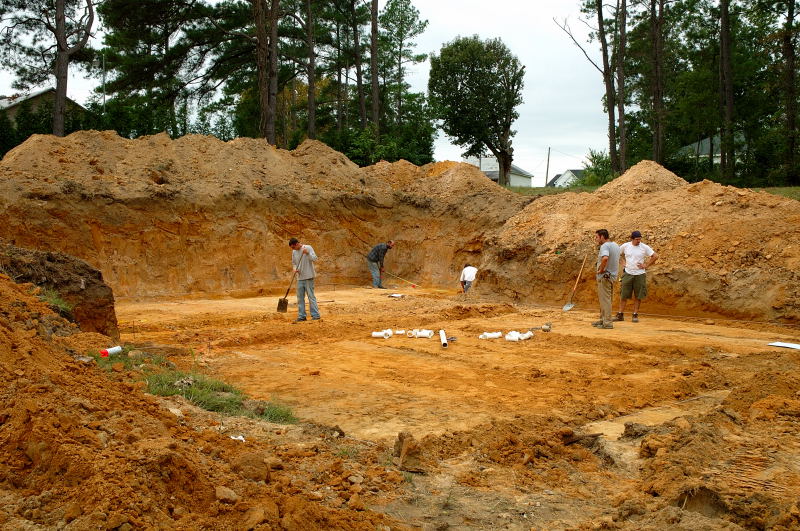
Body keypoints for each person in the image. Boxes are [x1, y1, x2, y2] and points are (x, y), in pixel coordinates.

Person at [615, 230, 658, 323]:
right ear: (632, 239)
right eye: (637, 239)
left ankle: (635, 315)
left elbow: (655, 256)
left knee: (638, 295)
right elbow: (616, 253)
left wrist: (646, 265)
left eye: (639, 239)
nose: (639, 241)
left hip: (640, 274)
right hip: (627, 273)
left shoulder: (644, 247)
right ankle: (620, 314)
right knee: (623, 295)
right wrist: (622, 261)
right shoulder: (626, 246)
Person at [592, 229, 620, 329]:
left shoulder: (605, 246)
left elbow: (605, 258)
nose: (596, 239)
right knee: (606, 299)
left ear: (602, 237)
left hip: (605, 276)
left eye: (597, 237)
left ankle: (607, 323)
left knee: (606, 300)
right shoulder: (616, 245)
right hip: (611, 276)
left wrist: (601, 269)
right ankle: (603, 320)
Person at [289, 237, 320, 322]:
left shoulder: (308, 247)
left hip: (309, 276)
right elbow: (294, 263)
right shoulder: (294, 251)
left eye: (293, 247)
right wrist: (295, 269)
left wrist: (308, 253)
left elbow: (315, 258)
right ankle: (302, 316)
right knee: (300, 298)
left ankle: (316, 315)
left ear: (296, 244)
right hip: (299, 278)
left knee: (311, 296)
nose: (293, 249)